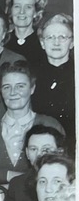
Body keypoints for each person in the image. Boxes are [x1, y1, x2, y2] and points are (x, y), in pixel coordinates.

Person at [0, 60, 65, 188]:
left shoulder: (50, 125)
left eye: (20, 86)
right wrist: (12, 176)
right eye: (6, 87)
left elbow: (63, 170)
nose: (13, 92)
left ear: (32, 89)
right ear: (1, 92)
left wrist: (6, 182)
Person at [3, 125, 65, 201]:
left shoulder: (70, 181)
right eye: (33, 149)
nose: (39, 154)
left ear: (59, 152)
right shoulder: (17, 184)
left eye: (46, 149)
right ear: (27, 153)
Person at [31, 13, 75, 148]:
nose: (56, 43)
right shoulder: (31, 75)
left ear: (72, 42)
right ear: (42, 43)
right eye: (50, 37)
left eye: (62, 37)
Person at [4, 0, 47, 69]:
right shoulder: (3, 42)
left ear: (35, 13)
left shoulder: (43, 43)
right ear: (11, 10)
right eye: (17, 6)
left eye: (28, 7)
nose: (22, 12)